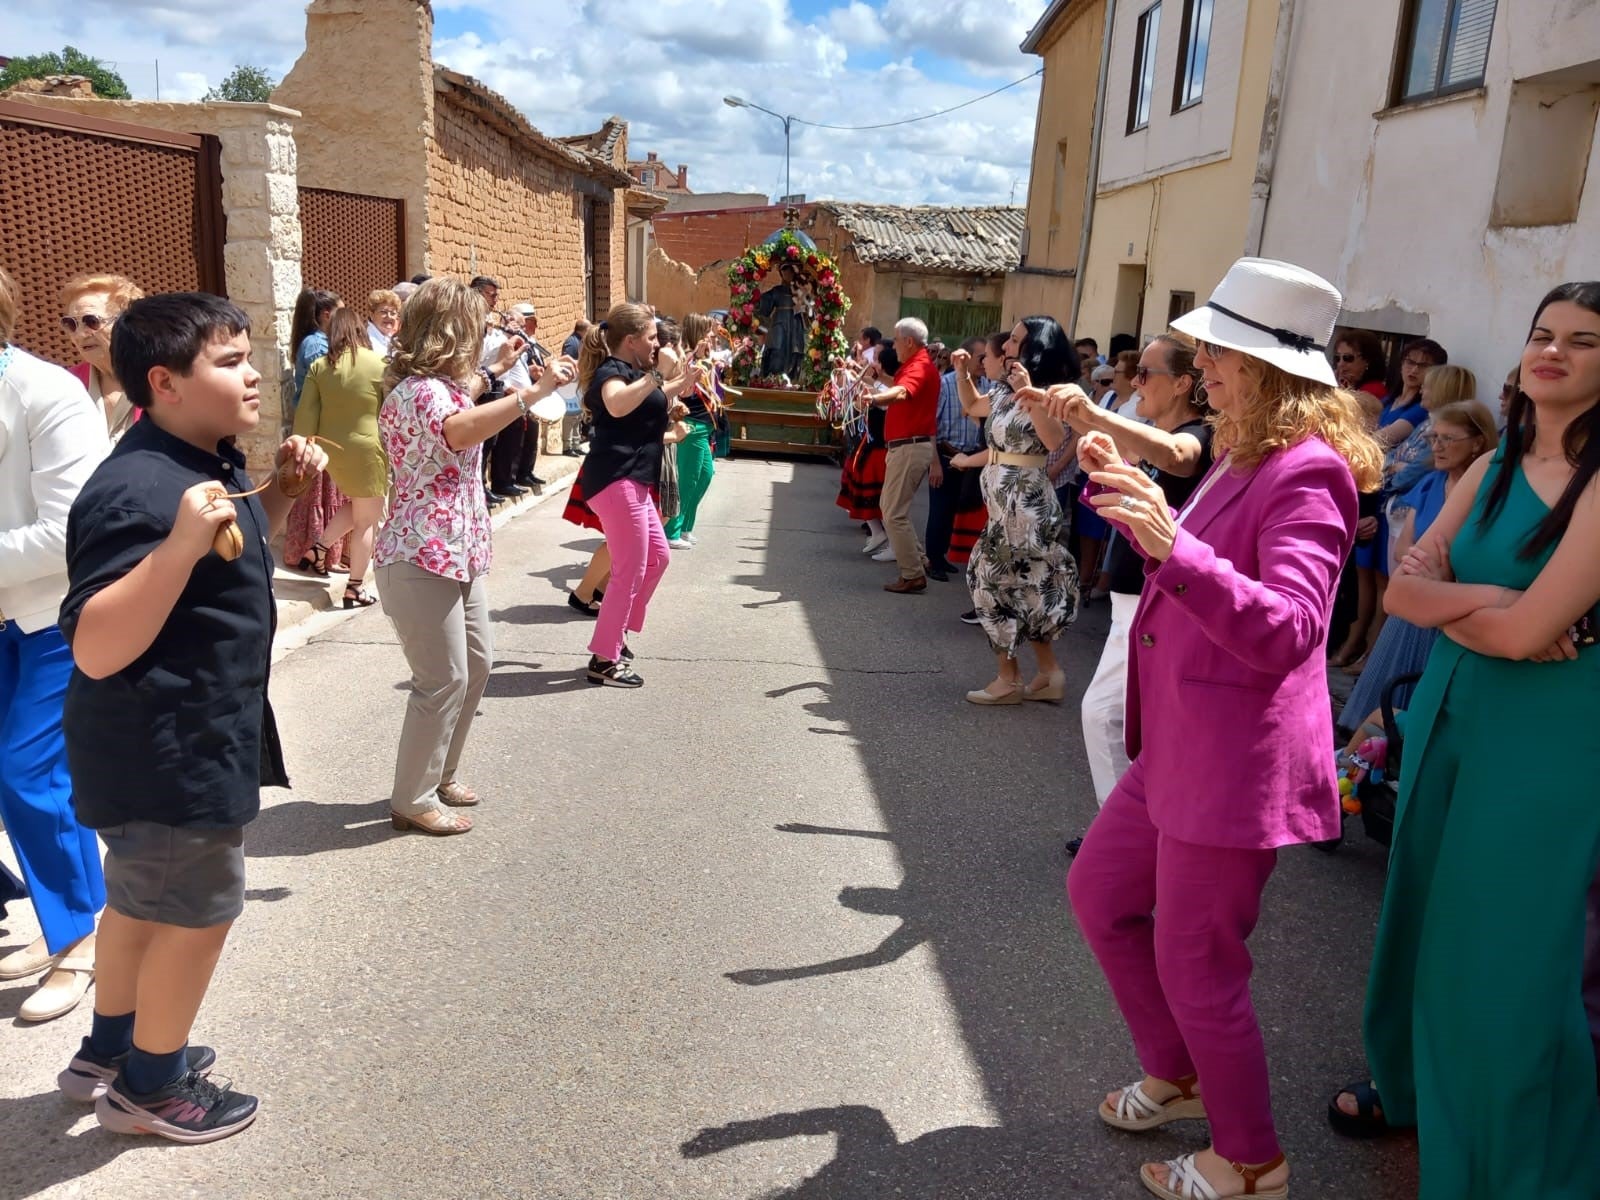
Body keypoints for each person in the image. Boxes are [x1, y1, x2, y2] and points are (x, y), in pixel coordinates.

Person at [1067, 258, 1382, 1200]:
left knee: (1198, 960)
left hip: (1233, 761)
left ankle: (1250, 1161)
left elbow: (1289, 628)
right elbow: (1190, 565)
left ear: (1267, 368)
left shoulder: (1311, 469)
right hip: (1182, 744)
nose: (1203, 366)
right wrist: (1134, 503)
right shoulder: (1246, 453)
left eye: (1219, 353)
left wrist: (1171, 541)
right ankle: (1180, 1071)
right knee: (1100, 894)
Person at [59, 292, 331, 1141]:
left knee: (141, 900)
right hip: (166, 751)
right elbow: (96, 643)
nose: (255, 374)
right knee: (194, 910)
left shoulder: (199, 459)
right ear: (164, 382)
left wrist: (281, 496)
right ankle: (153, 1087)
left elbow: (219, 561)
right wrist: (177, 544)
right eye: (230, 361)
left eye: (251, 355)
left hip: (175, 739)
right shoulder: (139, 488)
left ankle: (108, 1052)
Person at [1351, 281, 1600, 1199]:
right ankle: (1410, 1085)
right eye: (1543, 334)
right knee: (1421, 905)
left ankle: (1512, 1155)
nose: (1554, 352)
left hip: (1553, 724)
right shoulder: (1490, 469)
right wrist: (1490, 602)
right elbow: (1413, 600)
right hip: (1458, 705)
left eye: (1583, 341)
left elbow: (1529, 636)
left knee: (1508, 946)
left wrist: (1476, 606)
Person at [375, 278, 573, 833]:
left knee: (477, 666)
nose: (483, 334)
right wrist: (528, 393)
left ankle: (439, 774)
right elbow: (457, 432)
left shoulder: (444, 385)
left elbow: (464, 403)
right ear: (451, 330)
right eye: (477, 326)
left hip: (454, 552)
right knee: (441, 679)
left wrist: (498, 369)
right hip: (420, 553)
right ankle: (410, 799)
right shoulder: (419, 392)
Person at [0, 266, 109, 1024]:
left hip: (45, 617)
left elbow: (67, 528)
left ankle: (77, 940)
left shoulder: (45, 392)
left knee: (28, 772)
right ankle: (28, 900)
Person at [1053, 333, 1212, 821]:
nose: (1134, 382)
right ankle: (1134, 832)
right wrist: (1110, 467)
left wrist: (1097, 416)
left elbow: (1178, 456)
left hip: (1157, 600)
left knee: (1104, 716)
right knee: (1132, 725)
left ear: (1183, 383)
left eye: (1145, 373)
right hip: (1137, 601)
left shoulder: (1198, 437)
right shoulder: (1169, 439)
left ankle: (1122, 833)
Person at [1337, 400, 1498, 729]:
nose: (1436, 447)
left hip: (1450, 611)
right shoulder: (1429, 484)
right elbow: (1404, 548)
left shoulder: (1490, 492)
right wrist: (1427, 568)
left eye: (1447, 439)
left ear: (1479, 442)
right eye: (1432, 438)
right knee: (1383, 699)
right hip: (1414, 602)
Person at [952, 317, 1080, 702]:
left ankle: (1008, 679)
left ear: (1034, 348)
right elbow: (973, 405)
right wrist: (962, 372)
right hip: (1004, 505)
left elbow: (1054, 439)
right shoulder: (1005, 391)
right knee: (1026, 587)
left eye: (1015, 340)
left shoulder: (1051, 392)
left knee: (989, 583)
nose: (1007, 345)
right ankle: (1049, 674)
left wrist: (1030, 393)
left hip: (1024, 506)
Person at [575, 303, 695, 687]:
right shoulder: (612, 372)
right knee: (629, 570)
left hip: (635, 480)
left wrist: (679, 382)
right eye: (651, 337)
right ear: (630, 340)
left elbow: (642, 406)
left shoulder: (635, 373)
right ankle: (604, 659)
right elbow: (615, 402)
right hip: (616, 480)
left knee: (657, 558)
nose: (657, 343)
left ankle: (617, 632)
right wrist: (660, 374)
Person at [1332, 338, 1449, 667]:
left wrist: (1380, 459)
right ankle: (1353, 644)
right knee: (1363, 576)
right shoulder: (1390, 399)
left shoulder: (1419, 412)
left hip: (1388, 504)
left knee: (1385, 582)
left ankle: (1367, 653)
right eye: (1409, 362)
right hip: (1373, 495)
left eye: (1422, 365)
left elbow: (1380, 444)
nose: (1413, 370)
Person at [292, 309, 389, 609]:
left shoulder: (321, 366)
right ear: (360, 331)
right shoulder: (379, 363)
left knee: (359, 506)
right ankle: (355, 588)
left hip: (334, 449)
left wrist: (302, 450)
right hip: (368, 449)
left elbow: (306, 414)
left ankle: (318, 550)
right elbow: (392, 409)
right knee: (367, 521)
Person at [868, 318, 942, 594]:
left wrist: (875, 397)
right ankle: (918, 562)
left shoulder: (919, 365)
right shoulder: (917, 364)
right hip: (906, 447)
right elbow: (900, 386)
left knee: (893, 513)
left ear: (909, 341)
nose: (894, 345)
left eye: (896, 340)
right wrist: (879, 380)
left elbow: (903, 392)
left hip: (909, 447)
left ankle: (913, 573)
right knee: (893, 510)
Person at [284, 288, 348, 574]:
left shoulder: (315, 342)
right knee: (319, 490)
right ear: (326, 315)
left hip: (322, 424)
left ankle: (321, 550)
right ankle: (319, 552)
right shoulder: (317, 346)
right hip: (320, 427)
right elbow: (328, 388)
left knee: (323, 491)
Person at [924, 336, 988, 583]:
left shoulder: (988, 385)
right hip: (947, 455)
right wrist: (935, 463)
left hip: (973, 458)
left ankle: (944, 556)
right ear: (967, 358)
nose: (984, 363)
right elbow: (930, 425)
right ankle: (933, 559)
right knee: (941, 510)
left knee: (957, 512)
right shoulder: (945, 384)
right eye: (981, 357)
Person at [60, 274, 144, 444]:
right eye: (71, 324)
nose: (80, 334)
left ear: (127, 322)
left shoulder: (163, 378)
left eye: (91, 321)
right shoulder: (65, 384)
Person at [664, 312, 722, 548]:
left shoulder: (702, 359)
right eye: (708, 333)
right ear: (698, 334)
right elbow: (683, 389)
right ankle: (672, 530)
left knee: (704, 476)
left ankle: (686, 526)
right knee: (688, 479)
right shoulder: (686, 359)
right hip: (690, 425)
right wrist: (694, 357)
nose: (711, 337)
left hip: (703, 426)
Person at [838, 352, 892, 553]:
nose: (871, 363)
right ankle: (878, 533)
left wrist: (863, 383)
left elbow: (878, 400)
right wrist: (852, 375)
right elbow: (858, 401)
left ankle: (895, 544)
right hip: (870, 447)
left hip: (882, 449)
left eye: (877, 360)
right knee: (865, 493)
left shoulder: (889, 389)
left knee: (887, 503)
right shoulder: (875, 385)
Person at [757, 262, 809, 379]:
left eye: (790, 271)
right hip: (780, 324)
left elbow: (810, 309)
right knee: (778, 349)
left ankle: (791, 378)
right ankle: (774, 378)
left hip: (795, 325)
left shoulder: (799, 292)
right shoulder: (776, 291)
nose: (787, 274)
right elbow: (765, 306)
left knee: (794, 351)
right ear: (781, 273)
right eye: (785, 271)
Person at [365, 288, 401, 357]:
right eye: (383, 312)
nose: (389, 316)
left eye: (393, 313)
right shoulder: (366, 339)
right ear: (371, 315)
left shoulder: (394, 338)